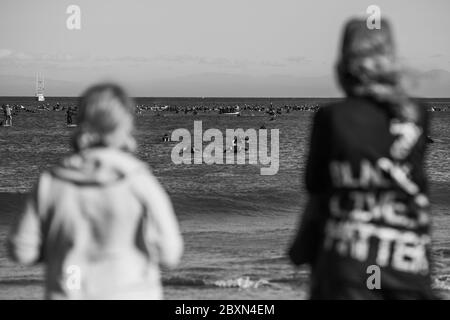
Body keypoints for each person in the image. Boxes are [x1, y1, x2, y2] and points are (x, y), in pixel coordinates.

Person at [289, 19, 434, 299]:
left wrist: (301, 247)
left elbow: (315, 186)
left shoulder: (332, 118)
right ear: (390, 61)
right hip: (408, 264)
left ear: (343, 67)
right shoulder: (416, 114)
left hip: (348, 267)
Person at [8, 83, 183, 299]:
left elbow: (22, 251)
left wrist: (59, 251)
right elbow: (170, 254)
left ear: (81, 121)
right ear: (126, 124)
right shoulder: (140, 181)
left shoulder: (50, 182)